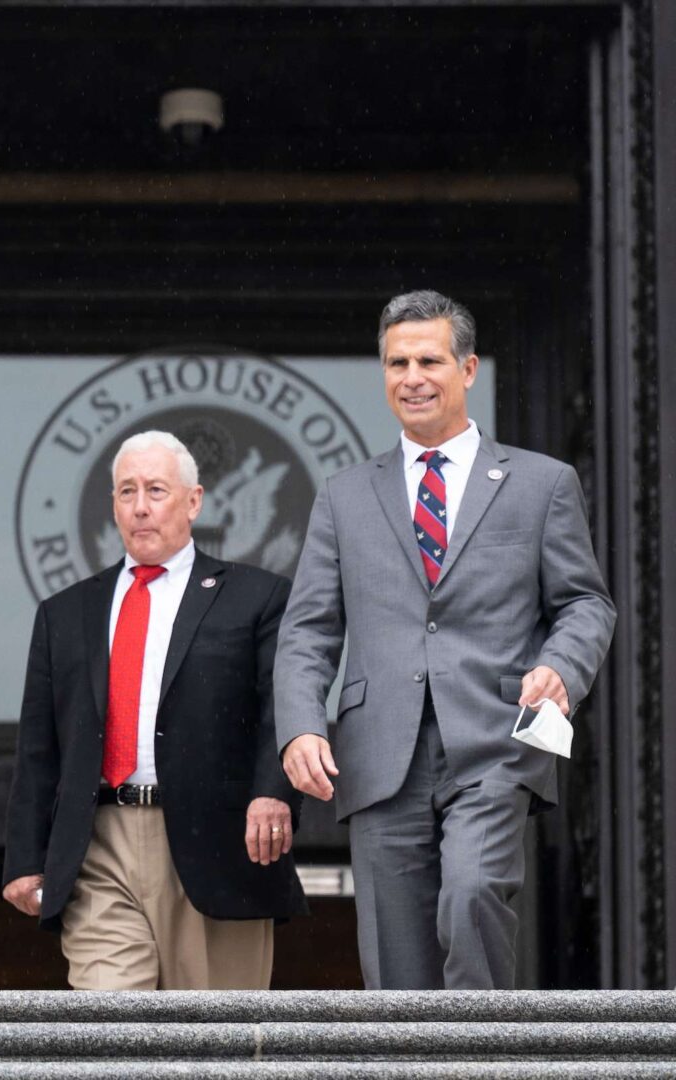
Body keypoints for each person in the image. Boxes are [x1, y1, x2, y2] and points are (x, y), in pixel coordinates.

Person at [274, 290, 616, 990]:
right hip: (378, 753)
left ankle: (480, 1057)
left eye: (428, 359)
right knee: (397, 966)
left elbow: (584, 603)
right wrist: (301, 726)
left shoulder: (540, 483)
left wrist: (559, 667)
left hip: (495, 738)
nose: (411, 377)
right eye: (396, 362)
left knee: (469, 898)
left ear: (467, 369)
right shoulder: (343, 494)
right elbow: (309, 627)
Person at [2, 430, 307, 990]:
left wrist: (274, 793)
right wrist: (25, 855)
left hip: (218, 841)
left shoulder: (256, 597)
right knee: (112, 1034)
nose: (140, 507)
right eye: (126, 492)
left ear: (194, 501)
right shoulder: (65, 613)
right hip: (100, 844)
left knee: (218, 1048)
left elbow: (281, 709)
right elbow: (39, 744)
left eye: (157, 490)